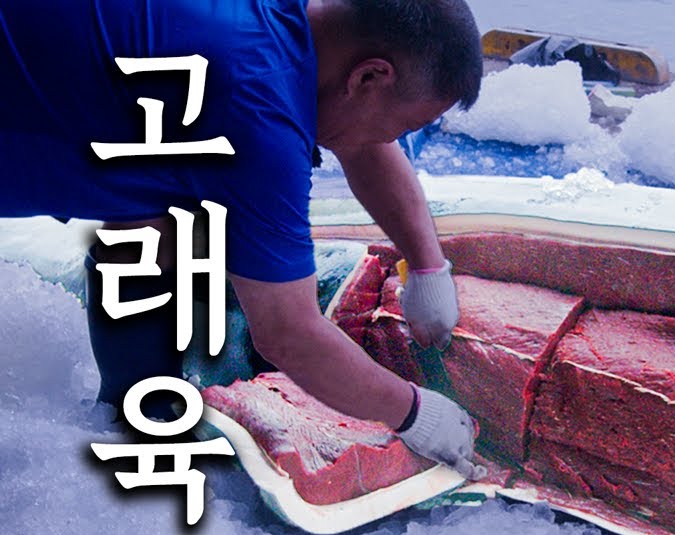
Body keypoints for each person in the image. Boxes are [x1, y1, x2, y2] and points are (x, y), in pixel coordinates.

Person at [0, 0, 485, 478]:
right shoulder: (257, 109)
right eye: (408, 126)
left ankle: (135, 402)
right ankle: (135, 418)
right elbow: (288, 334)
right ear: (369, 77)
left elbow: (365, 144)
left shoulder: (309, 27)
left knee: (172, 198)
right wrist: (415, 413)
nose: (395, 138)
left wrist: (427, 266)